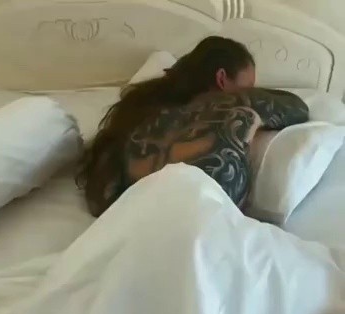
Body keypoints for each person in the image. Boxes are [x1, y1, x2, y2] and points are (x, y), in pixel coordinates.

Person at [75, 37, 309, 217]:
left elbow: (100, 200)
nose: (251, 91)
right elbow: (296, 108)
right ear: (221, 79)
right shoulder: (226, 105)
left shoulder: (136, 108)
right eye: (248, 85)